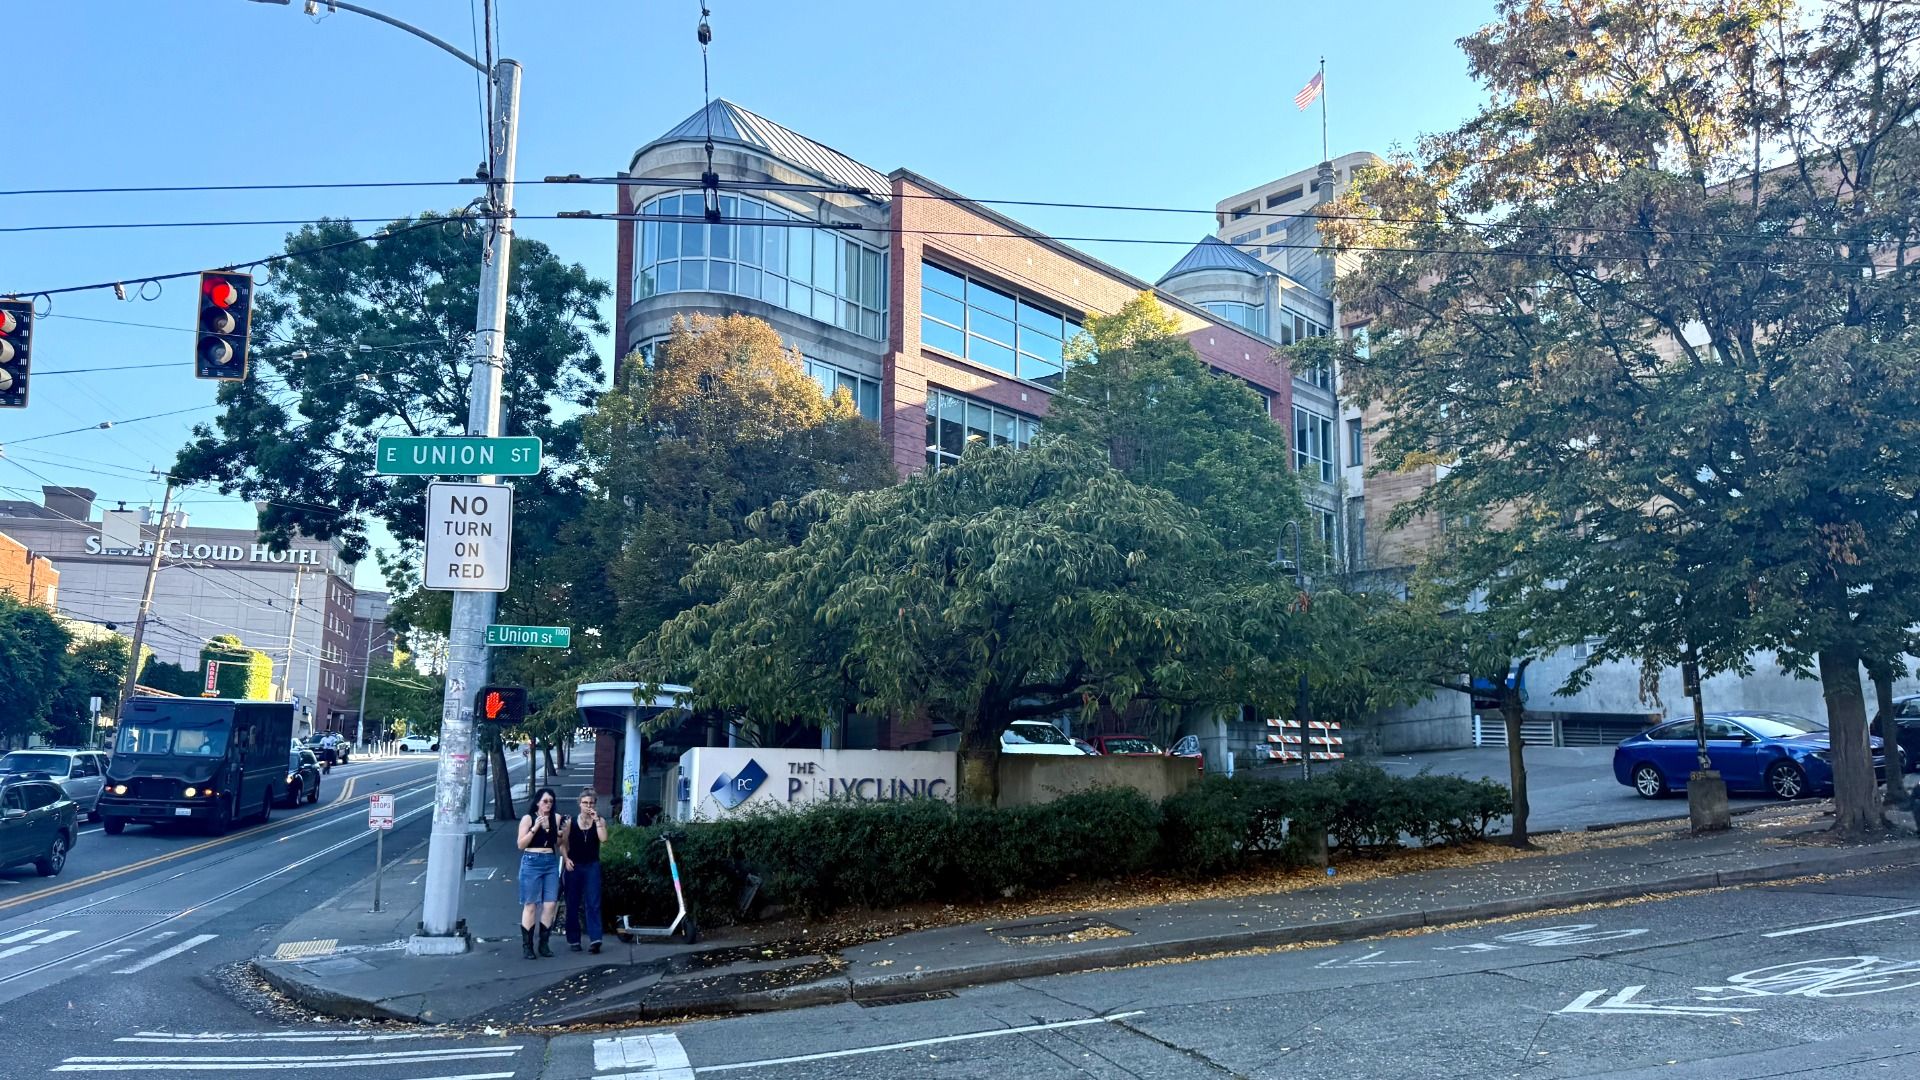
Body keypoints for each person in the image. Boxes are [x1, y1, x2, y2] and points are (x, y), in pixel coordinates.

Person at [516, 787, 564, 959]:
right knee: (530, 904)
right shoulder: (528, 819)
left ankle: (544, 943)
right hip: (531, 861)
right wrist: (536, 828)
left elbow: (558, 842)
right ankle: (527, 946)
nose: (548, 804)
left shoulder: (556, 818)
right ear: (537, 802)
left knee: (550, 904)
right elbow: (521, 844)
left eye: (551, 801)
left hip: (550, 861)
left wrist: (551, 829)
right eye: (545, 801)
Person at [561, 789, 609, 953]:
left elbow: (604, 839)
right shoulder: (571, 822)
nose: (588, 806)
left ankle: (595, 939)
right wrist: (566, 859)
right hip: (574, 865)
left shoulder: (599, 820)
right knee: (572, 903)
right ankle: (574, 939)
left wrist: (597, 821)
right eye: (585, 803)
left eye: (591, 803)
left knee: (593, 903)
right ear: (579, 804)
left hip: (591, 865)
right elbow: (563, 844)